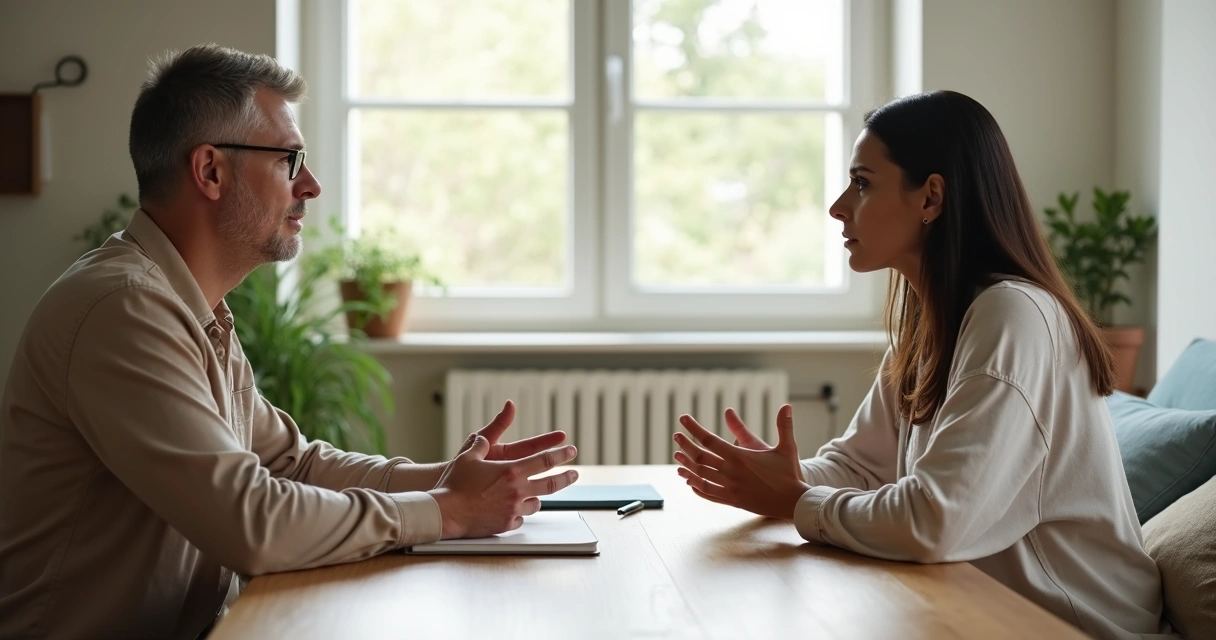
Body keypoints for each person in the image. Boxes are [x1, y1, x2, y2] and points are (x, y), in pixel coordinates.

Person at [0, 44, 578, 639]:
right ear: (210, 171)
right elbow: (250, 520)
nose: (312, 185)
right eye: (289, 159)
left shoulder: (188, 307)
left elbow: (291, 464)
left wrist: (446, 478)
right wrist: (447, 512)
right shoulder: (123, 309)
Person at [672, 91, 1172, 639]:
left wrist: (795, 500)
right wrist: (783, 478)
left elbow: (935, 522)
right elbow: (864, 466)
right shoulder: (933, 319)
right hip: (980, 611)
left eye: (862, 183)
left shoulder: (1013, 315)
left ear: (931, 197)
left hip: (1078, 628)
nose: (838, 206)